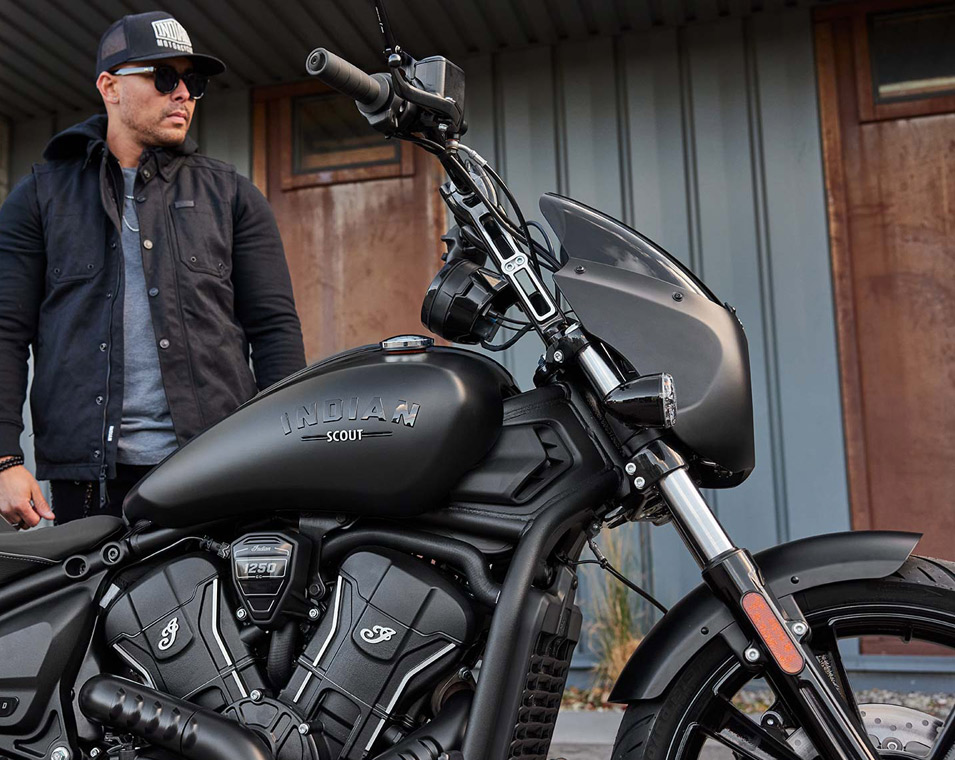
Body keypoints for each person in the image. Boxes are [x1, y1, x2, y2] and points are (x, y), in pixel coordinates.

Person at [0, 12, 306, 528]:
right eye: (164, 77)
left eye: (193, 81)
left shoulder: (233, 195)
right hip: (91, 483)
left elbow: (275, 331)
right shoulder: (39, 197)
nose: (183, 93)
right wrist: (5, 459)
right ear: (110, 86)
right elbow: (6, 332)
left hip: (218, 465)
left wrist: (288, 445)